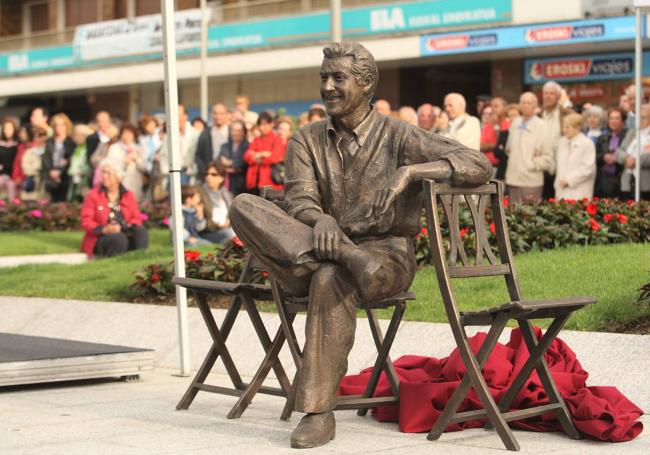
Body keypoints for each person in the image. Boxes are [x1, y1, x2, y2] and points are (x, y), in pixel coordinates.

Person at [228, 42, 491, 449]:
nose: (328, 87)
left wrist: (411, 171)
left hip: (384, 257)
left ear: (366, 83)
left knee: (330, 276)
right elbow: (298, 200)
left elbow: (478, 164)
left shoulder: (399, 135)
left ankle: (317, 413)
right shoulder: (306, 140)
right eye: (323, 78)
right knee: (245, 205)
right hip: (317, 247)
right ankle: (342, 257)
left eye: (338, 78)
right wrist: (322, 220)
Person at [80, 159, 148, 258]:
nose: (104, 176)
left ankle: (140, 260)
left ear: (118, 177)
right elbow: (86, 221)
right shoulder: (93, 195)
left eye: (108, 173)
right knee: (118, 238)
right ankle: (116, 263)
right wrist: (105, 229)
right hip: (101, 238)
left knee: (140, 231)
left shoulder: (128, 195)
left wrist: (127, 226)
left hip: (124, 232)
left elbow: (136, 218)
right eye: (103, 173)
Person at [505, 92, 553, 203]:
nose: (526, 105)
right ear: (520, 105)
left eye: (529, 103)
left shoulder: (542, 125)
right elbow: (508, 149)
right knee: (512, 216)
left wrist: (530, 164)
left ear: (535, 106)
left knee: (529, 217)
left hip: (531, 181)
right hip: (513, 179)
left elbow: (548, 157)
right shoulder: (515, 123)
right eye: (523, 102)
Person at [540, 81, 572, 199]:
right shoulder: (538, 115)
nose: (548, 96)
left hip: (561, 165)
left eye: (552, 94)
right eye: (546, 93)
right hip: (542, 165)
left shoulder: (567, 114)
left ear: (558, 96)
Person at [554, 113, 596, 200]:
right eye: (564, 127)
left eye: (568, 127)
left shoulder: (587, 143)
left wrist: (568, 180)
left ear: (578, 128)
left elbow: (588, 168)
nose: (564, 130)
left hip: (579, 191)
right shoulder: (562, 142)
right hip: (561, 191)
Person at [243, 111, 283, 194]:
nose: (262, 127)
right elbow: (246, 156)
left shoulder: (276, 139)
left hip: (271, 183)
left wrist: (257, 156)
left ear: (271, 124)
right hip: (254, 181)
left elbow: (275, 158)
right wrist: (263, 154)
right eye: (260, 125)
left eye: (265, 124)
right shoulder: (257, 140)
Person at [106, 123, 147, 203]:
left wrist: (137, 159)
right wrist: (124, 161)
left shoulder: (139, 148)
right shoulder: (114, 148)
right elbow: (109, 165)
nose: (127, 136)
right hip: (118, 183)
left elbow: (145, 168)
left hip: (135, 183)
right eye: (125, 133)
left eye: (130, 133)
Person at [159, 104, 199, 185]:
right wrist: (167, 170)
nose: (175, 118)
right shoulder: (168, 136)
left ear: (185, 116)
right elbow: (163, 156)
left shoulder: (195, 134)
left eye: (178, 115)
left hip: (190, 175)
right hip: (171, 176)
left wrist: (190, 170)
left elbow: (199, 157)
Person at [618, 104, 650, 200]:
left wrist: (636, 160)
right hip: (628, 181)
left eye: (643, 117)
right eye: (638, 117)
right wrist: (627, 158)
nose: (640, 120)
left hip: (646, 183)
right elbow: (620, 151)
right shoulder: (632, 133)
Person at [199, 162, 236, 244]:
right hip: (209, 232)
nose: (209, 177)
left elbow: (233, 215)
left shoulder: (228, 195)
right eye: (207, 174)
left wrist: (229, 221)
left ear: (222, 178)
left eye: (213, 174)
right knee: (231, 233)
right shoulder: (199, 194)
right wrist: (217, 226)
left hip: (226, 229)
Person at [42, 113, 75, 202]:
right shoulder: (50, 142)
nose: (59, 128)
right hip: (51, 176)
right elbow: (46, 158)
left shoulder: (71, 142)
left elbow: (70, 159)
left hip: (65, 177)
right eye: (56, 125)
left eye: (62, 125)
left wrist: (60, 172)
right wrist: (51, 172)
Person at [196, 103, 230, 179]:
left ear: (227, 115)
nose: (218, 116)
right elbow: (198, 156)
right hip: (209, 176)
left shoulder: (232, 132)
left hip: (229, 177)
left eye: (221, 114)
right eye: (215, 113)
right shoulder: (205, 134)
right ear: (211, 115)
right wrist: (206, 172)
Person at [219, 120, 249, 196]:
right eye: (233, 130)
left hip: (243, 184)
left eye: (238, 130)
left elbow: (243, 163)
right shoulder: (224, 146)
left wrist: (230, 163)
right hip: (227, 184)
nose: (235, 133)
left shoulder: (248, 146)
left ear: (244, 132)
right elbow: (220, 161)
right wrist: (233, 166)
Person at [493, 103, 521, 180]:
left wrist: (504, 149)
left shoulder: (523, 134)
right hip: (503, 172)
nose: (512, 118)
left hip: (518, 174)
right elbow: (496, 152)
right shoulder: (504, 133)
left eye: (514, 115)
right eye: (509, 116)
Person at [20, 127, 49, 201]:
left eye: (42, 136)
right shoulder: (29, 152)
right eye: (37, 136)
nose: (39, 138)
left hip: (45, 182)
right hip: (32, 181)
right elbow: (25, 166)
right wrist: (37, 169)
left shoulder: (50, 151)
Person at [86, 111, 114, 184]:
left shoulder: (114, 138)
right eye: (100, 121)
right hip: (97, 174)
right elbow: (90, 158)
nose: (102, 124)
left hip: (112, 175)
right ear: (97, 123)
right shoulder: (91, 138)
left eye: (105, 121)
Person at [67, 124, 92, 202]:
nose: (75, 137)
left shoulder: (89, 148)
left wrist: (83, 171)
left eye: (77, 135)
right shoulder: (77, 148)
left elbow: (89, 164)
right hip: (74, 179)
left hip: (85, 181)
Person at [0, 117, 18, 201]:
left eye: (10, 128)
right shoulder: (1, 145)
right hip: (2, 174)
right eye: (5, 129)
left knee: (11, 188)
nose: (7, 131)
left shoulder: (18, 145)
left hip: (14, 176)